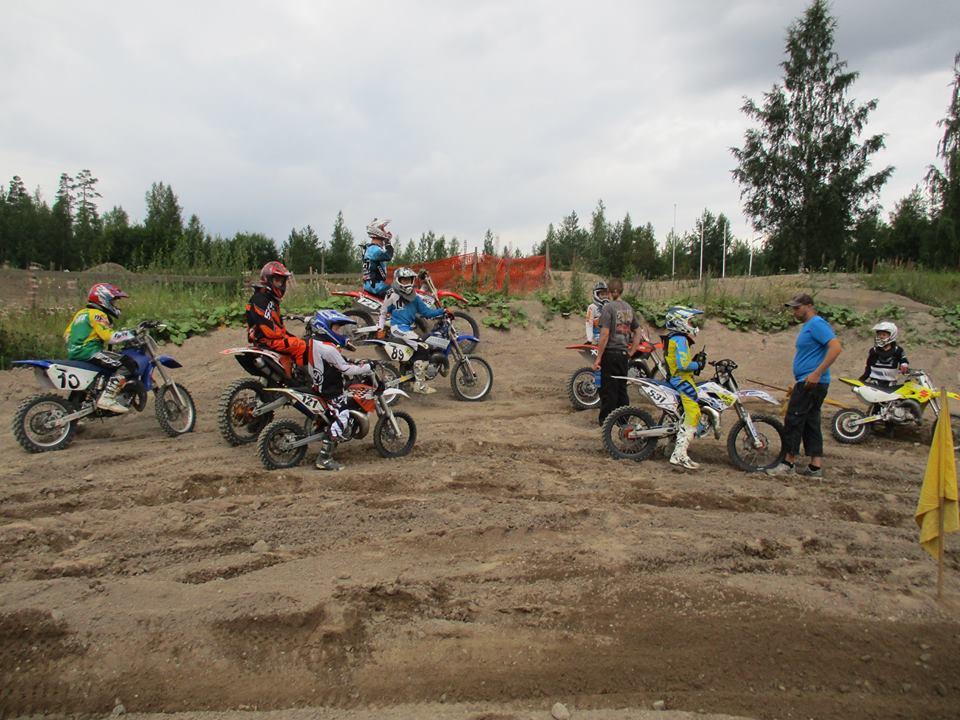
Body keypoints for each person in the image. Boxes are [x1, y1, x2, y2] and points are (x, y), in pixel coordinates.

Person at [767, 293, 842, 479]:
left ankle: (788, 463)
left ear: (808, 306)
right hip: (810, 381)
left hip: (811, 382)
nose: (794, 311)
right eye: (793, 308)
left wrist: (817, 373)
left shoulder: (817, 324)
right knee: (811, 422)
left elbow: (836, 348)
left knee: (794, 419)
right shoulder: (810, 326)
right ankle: (815, 466)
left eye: (797, 308)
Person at [305, 309, 374, 471]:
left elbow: (336, 361)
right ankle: (324, 458)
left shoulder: (315, 341)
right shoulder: (328, 348)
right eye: (336, 328)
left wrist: (350, 360)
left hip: (318, 385)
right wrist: (366, 367)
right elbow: (346, 370)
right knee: (343, 416)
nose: (340, 332)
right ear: (325, 328)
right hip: (330, 390)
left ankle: (322, 426)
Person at [64, 282, 138, 413]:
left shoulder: (81, 313)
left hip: (74, 353)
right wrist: (132, 333)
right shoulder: (98, 314)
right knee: (127, 363)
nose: (115, 305)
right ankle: (107, 397)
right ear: (104, 299)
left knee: (87, 382)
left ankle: (71, 411)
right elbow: (109, 337)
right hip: (90, 352)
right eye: (114, 301)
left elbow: (67, 335)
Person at [377, 266, 451, 394]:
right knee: (424, 347)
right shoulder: (392, 294)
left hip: (407, 329)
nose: (406, 283)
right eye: (404, 280)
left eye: (409, 280)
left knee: (422, 343)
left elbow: (426, 312)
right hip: (398, 328)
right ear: (398, 280)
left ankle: (407, 379)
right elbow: (383, 313)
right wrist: (380, 328)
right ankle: (420, 385)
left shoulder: (415, 297)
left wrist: (442, 311)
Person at [592, 278, 644, 426]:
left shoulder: (608, 308)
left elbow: (605, 334)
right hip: (622, 354)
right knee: (621, 388)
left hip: (610, 353)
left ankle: (606, 422)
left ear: (609, 292)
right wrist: (631, 351)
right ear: (621, 291)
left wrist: (598, 357)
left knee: (608, 388)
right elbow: (638, 331)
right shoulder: (628, 308)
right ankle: (623, 420)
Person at [662, 305, 708, 470]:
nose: (691, 324)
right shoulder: (680, 339)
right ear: (679, 321)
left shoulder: (673, 338)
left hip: (677, 378)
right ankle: (679, 454)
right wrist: (698, 364)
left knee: (682, 414)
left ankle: (671, 446)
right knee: (694, 413)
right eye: (689, 321)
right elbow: (683, 364)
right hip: (681, 379)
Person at [246, 261, 307, 373]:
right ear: (268, 280)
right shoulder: (262, 299)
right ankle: (302, 378)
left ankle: (291, 372)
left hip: (264, 339)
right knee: (301, 346)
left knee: (298, 340)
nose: (281, 285)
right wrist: (284, 335)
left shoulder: (267, 298)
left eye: (282, 281)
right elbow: (269, 330)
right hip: (266, 340)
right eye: (277, 280)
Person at [859, 321, 909, 388]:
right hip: (874, 382)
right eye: (879, 334)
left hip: (890, 383)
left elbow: (903, 360)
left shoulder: (898, 350)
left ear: (891, 335)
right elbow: (868, 367)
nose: (881, 337)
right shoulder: (873, 351)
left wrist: (904, 365)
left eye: (883, 335)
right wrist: (861, 379)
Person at [362, 218, 395, 297]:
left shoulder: (370, 248)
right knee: (400, 294)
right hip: (375, 286)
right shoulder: (373, 249)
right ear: (377, 231)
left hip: (373, 284)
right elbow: (388, 256)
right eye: (383, 229)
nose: (386, 232)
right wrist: (387, 242)